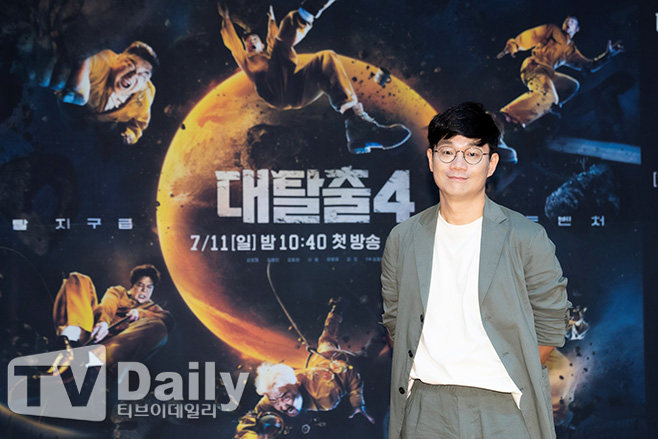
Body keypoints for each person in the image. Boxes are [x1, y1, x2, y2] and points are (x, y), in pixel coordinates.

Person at [380, 102, 570, 439]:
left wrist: (513, 371)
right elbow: (396, 321)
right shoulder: (403, 238)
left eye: (472, 154)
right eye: (447, 152)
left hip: (504, 407)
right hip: (425, 408)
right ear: (431, 159)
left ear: (491, 163)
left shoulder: (526, 237)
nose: (458, 164)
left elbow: (551, 323)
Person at [219, 1, 410, 154]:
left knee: (325, 59)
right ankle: (311, 8)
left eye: (254, 40)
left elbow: (273, 37)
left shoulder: (271, 53)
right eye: (247, 42)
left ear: (262, 44)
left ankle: (356, 125)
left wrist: (271, 17)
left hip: (295, 91)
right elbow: (234, 42)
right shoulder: (246, 60)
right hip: (274, 91)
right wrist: (226, 18)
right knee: (281, 43)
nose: (250, 43)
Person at [235, 298, 374, 438]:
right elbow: (258, 410)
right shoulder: (275, 393)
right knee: (325, 341)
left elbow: (351, 373)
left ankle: (337, 310)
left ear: (297, 383)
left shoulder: (326, 391)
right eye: (275, 402)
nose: (283, 407)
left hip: (333, 359)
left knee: (329, 341)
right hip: (317, 363)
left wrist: (357, 402)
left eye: (286, 397)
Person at [497, 16, 623, 128]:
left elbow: (588, 66)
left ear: (577, 29)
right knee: (549, 95)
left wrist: (607, 56)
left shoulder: (570, 50)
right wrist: (514, 45)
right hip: (534, 67)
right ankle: (506, 115)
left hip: (548, 73)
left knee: (572, 85)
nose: (568, 23)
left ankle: (549, 108)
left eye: (572, 22)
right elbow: (533, 35)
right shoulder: (552, 31)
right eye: (566, 21)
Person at [52, 264, 174, 375]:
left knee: (159, 327)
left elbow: (168, 319)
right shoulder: (119, 292)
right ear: (132, 285)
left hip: (107, 349)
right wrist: (103, 323)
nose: (144, 291)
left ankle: (92, 363)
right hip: (91, 333)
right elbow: (108, 305)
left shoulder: (153, 308)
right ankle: (69, 343)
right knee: (78, 278)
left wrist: (140, 314)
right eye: (140, 285)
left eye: (149, 287)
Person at [56, 41, 159, 145]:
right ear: (119, 58)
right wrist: (79, 72)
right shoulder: (102, 60)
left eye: (142, 76)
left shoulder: (144, 96)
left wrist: (131, 134)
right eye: (131, 65)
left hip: (103, 126)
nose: (132, 76)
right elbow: (86, 59)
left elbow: (139, 124)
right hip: (72, 111)